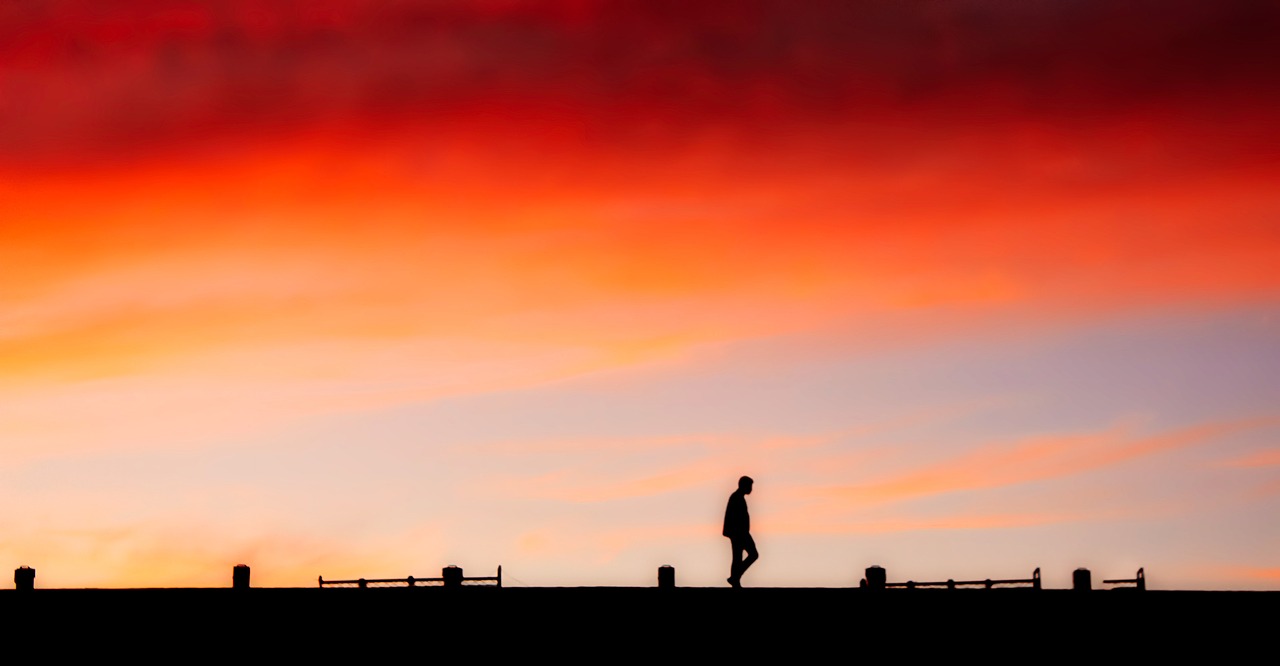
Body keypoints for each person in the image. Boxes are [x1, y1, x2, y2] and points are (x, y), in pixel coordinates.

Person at [723, 475, 758, 587]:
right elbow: (734, 517)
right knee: (752, 554)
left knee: (738, 557)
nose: (751, 489)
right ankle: (735, 578)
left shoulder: (738, 497)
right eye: (750, 486)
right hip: (739, 533)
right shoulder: (736, 498)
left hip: (739, 533)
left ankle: (735, 579)